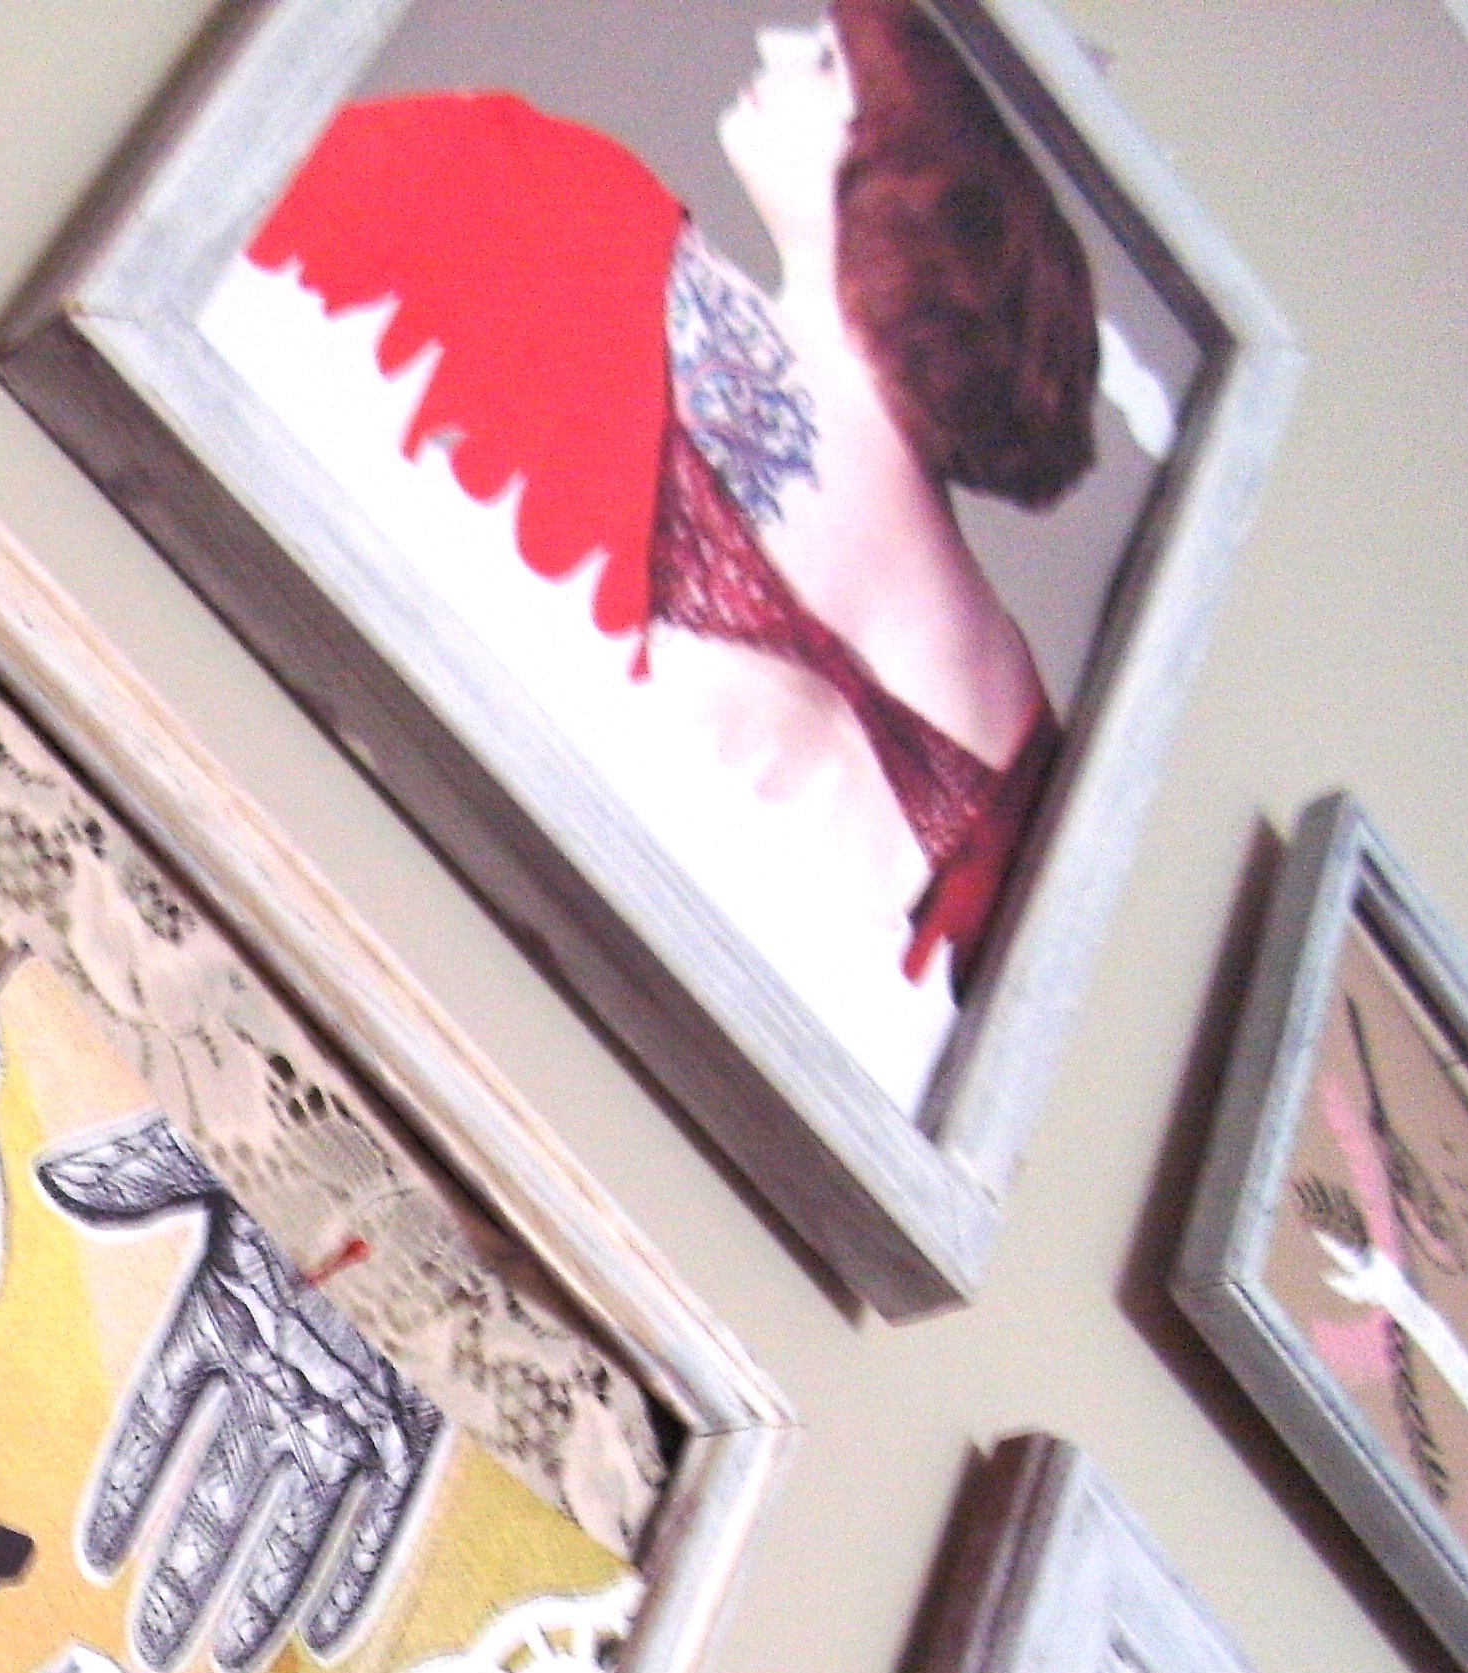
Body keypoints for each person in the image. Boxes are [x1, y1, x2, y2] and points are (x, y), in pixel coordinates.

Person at [202, 3, 1101, 1109]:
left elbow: (181, 237)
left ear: (921, 187)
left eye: (829, 60)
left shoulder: (546, 203)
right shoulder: (1029, 762)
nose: (775, 47)